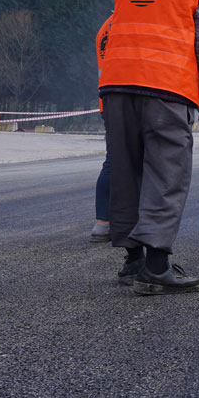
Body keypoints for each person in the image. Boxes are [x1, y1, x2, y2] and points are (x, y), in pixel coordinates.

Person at [99, 0, 199, 294]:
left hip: (117, 84)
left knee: (127, 170)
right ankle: (156, 266)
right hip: (167, 87)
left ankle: (132, 262)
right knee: (166, 174)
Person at [90, 16, 112, 240]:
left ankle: (103, 223)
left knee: (113, 161)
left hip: (107, 100)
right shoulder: (126, 23)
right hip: (126, 101)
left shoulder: (104, 27)